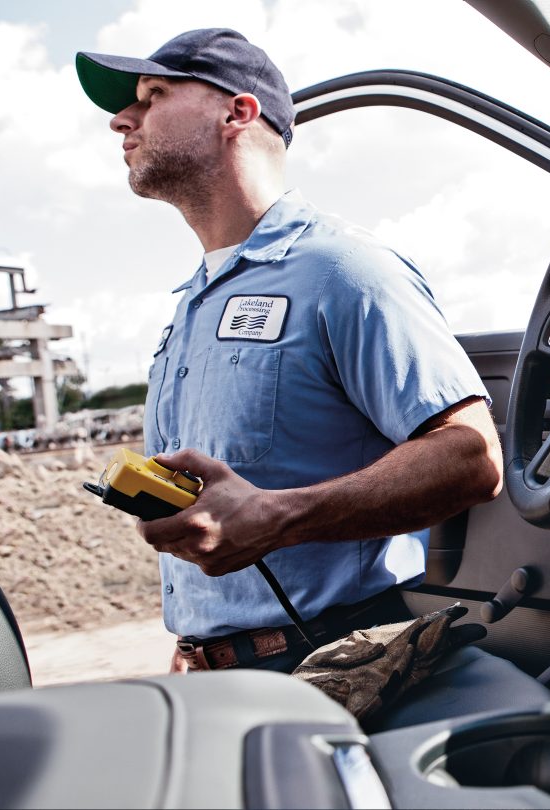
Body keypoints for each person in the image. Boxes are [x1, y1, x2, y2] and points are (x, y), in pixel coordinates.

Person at [75, 29, 502, 674]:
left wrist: (280, 516)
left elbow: (472, 456)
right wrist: (202, 642)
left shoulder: (343, 270)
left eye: (154, 95)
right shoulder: (192, 303)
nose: (121, 120)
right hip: (216, 671)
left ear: (237, 113)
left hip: (333, 660)